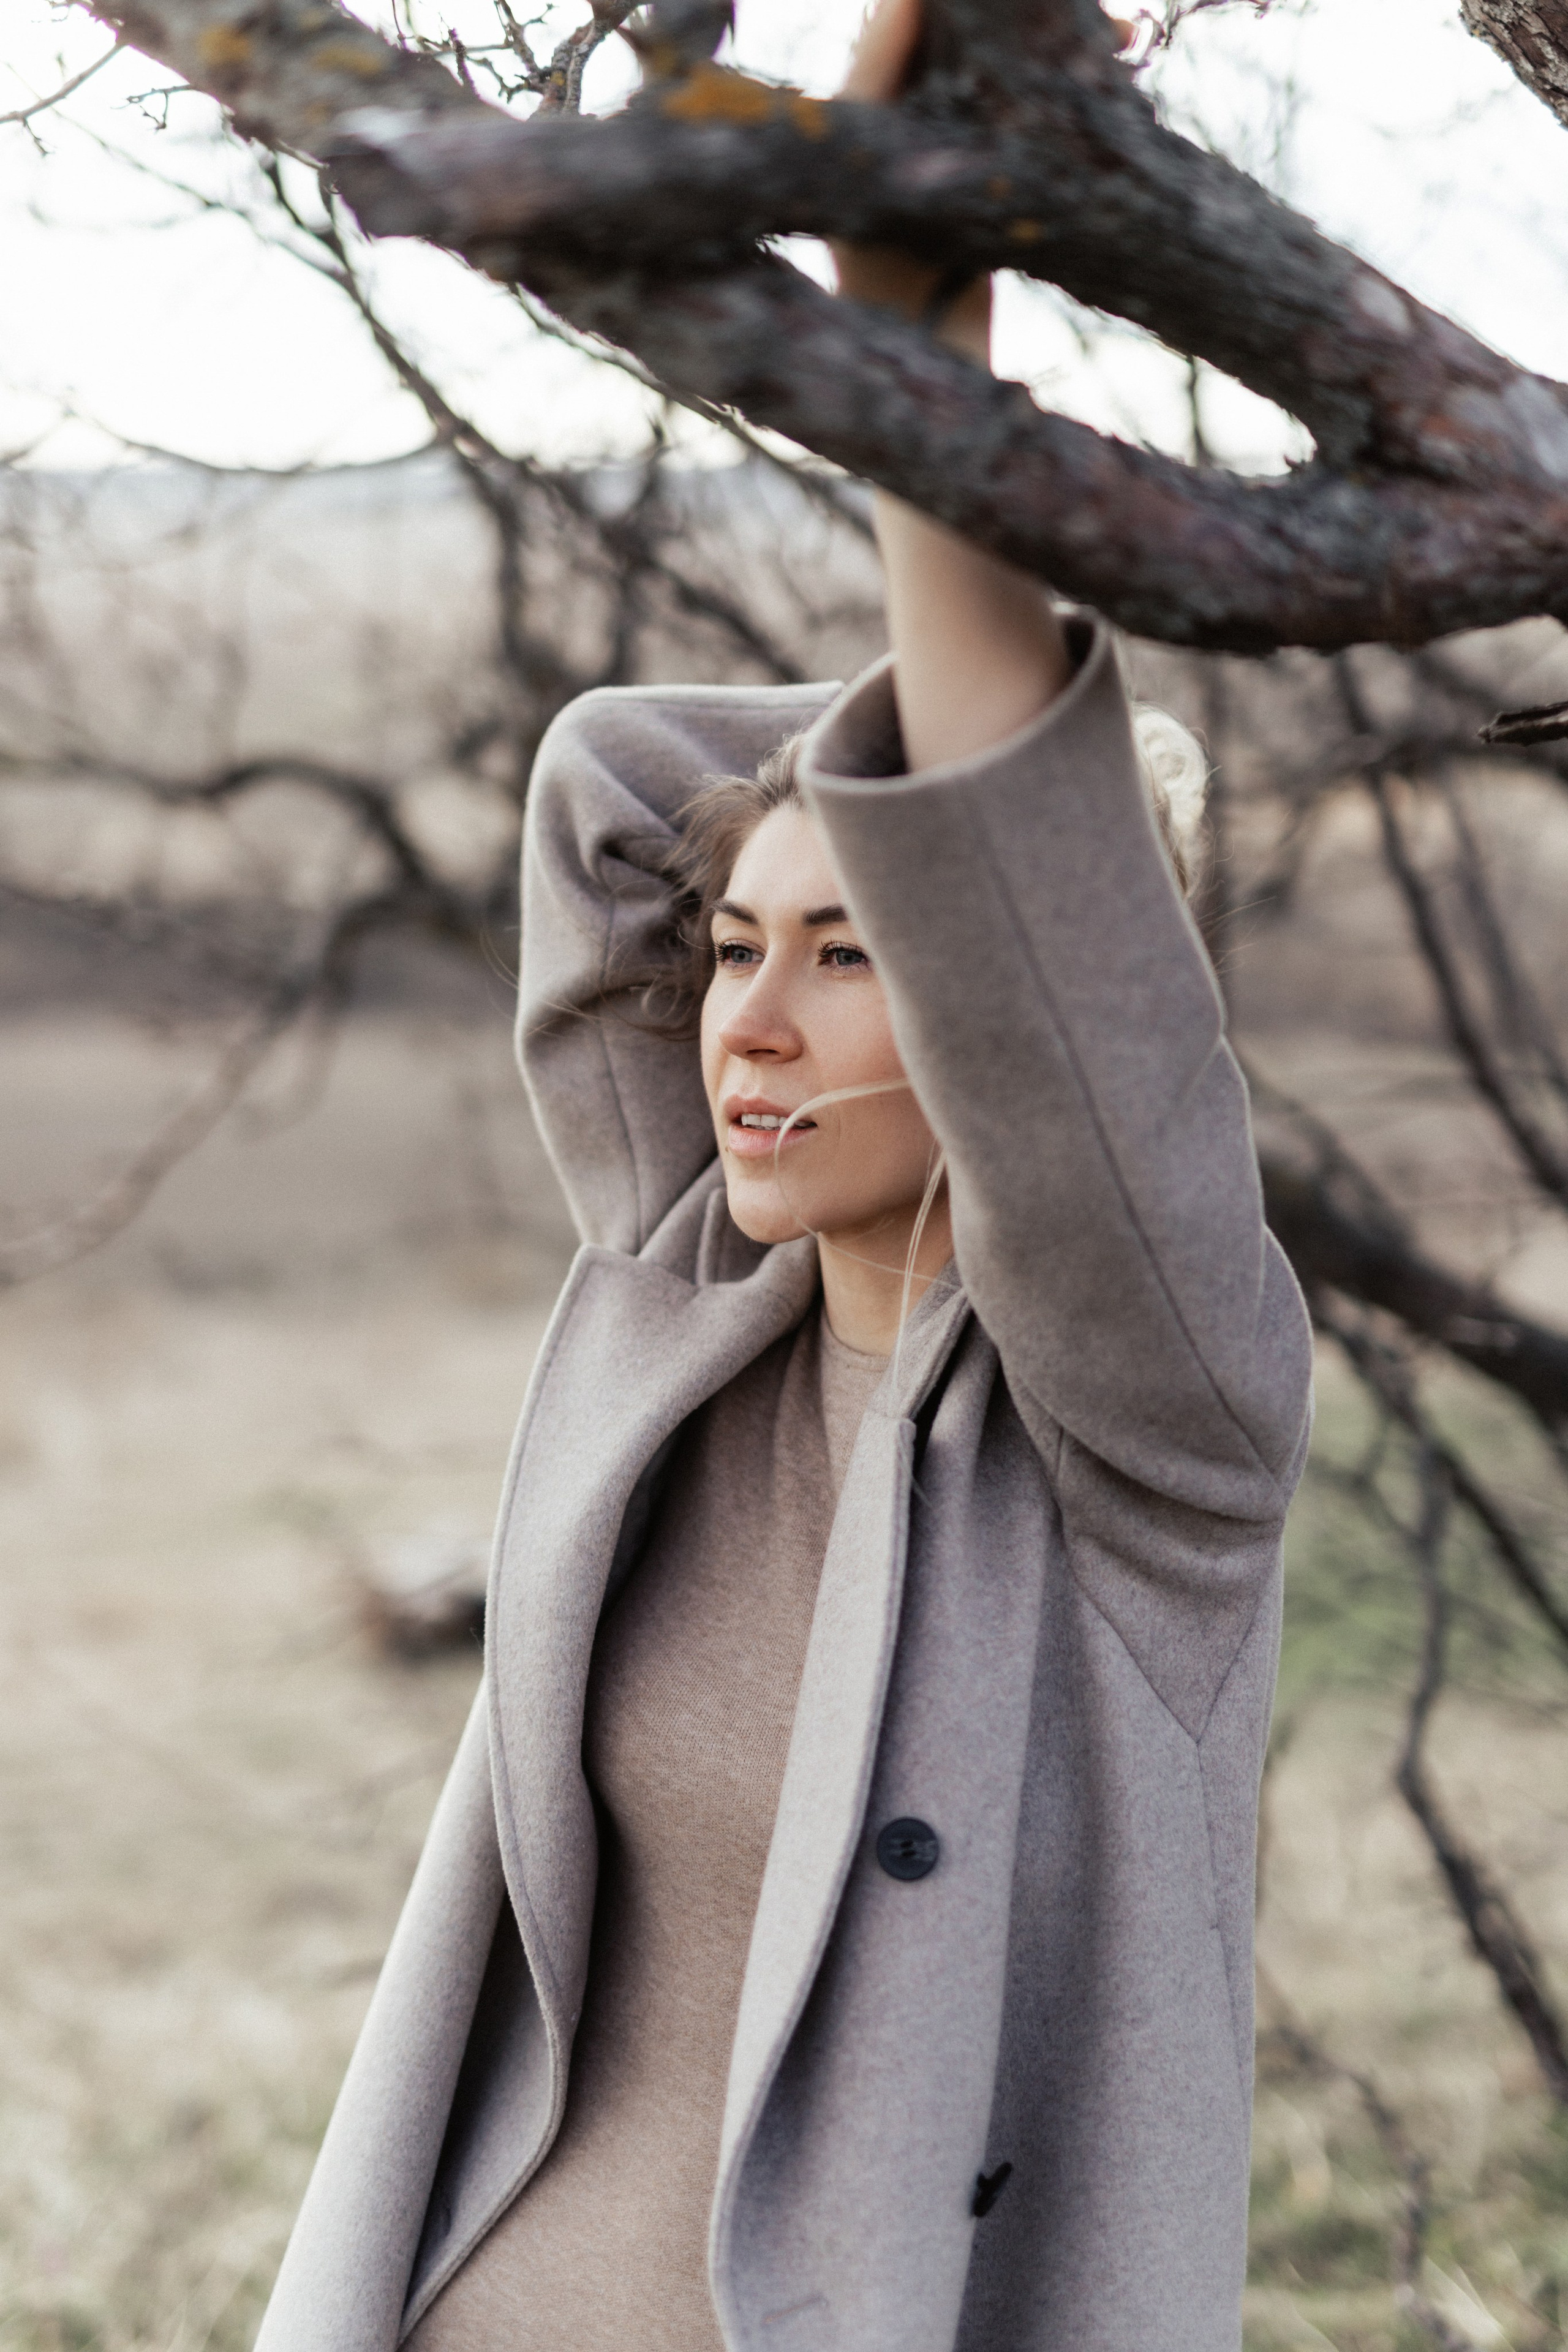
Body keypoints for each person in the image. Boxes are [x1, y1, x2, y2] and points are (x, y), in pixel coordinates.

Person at [252, 4, 1313, 2346]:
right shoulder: (677, 1298)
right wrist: (831, 828)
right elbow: (612, 783)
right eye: (735, 953)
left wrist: (909, 335)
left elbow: (1046, 960)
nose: (746, 1022)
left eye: (852, 962)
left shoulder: (1152, 1440)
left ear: (1021, 1027)